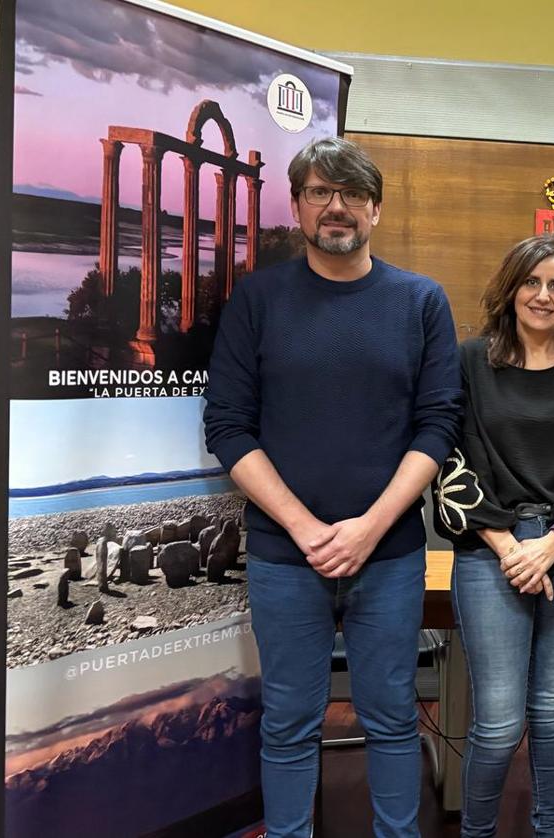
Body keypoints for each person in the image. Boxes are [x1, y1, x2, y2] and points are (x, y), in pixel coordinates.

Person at [203, 136, 462, 838]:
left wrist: (368, 528)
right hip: (286, 557)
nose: (336, 207)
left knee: (390, 716)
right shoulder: (258, 299)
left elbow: (437, 428)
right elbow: (228, 427)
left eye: (351, 194)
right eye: (320, 192)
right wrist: (307, 528)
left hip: (391, 555)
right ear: (298, 205)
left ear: (375, 209)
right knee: (288, 721)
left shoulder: (420, 302)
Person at [433, 234, 554, 838]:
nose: (543, 296)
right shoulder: (469, 362)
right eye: (532, 282)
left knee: (551, 707)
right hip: (492, 549)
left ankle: (549, 830)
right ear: (510, 287)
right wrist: (508, 543)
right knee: (495, 720)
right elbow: (453, 456)